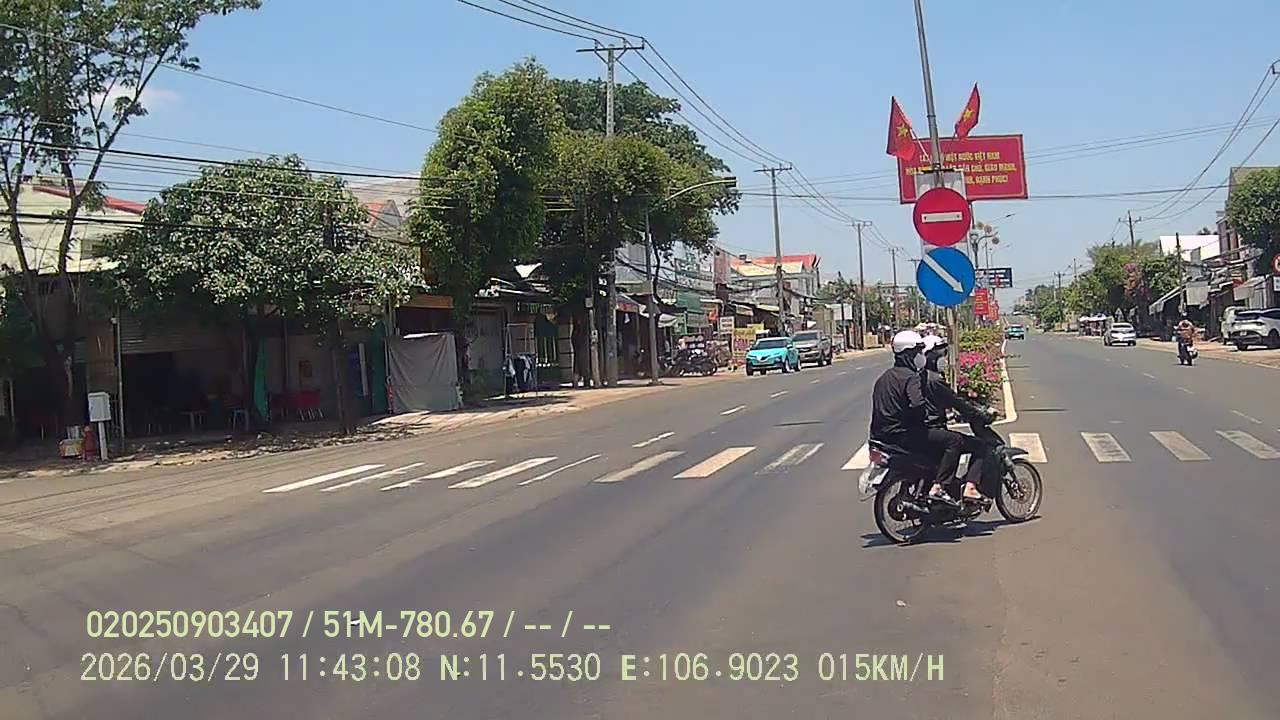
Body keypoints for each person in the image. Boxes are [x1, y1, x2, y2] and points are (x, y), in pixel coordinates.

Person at [918, 335, 998, 503]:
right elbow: (956, 401)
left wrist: (954, 411)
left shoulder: (920, 377)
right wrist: (980, 415)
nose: (944, 359)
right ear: (931, 357)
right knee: (981, 446)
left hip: (922, 429)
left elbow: (941, 402)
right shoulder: (935, 380)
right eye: (941, 355)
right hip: (934, 429)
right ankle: (969, 487)